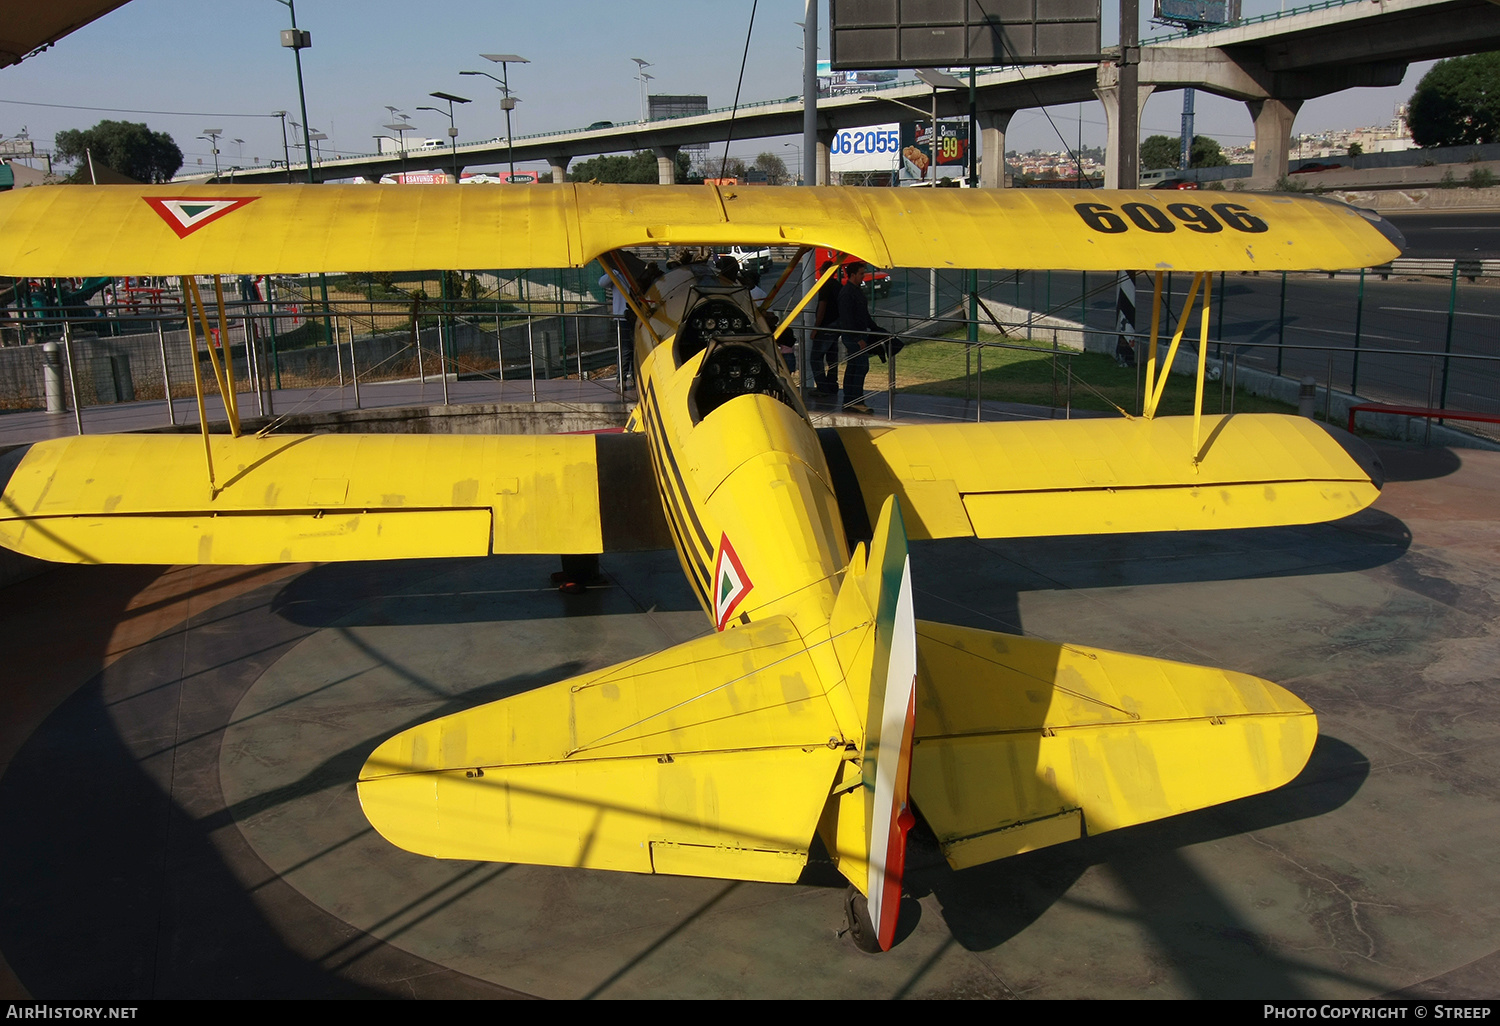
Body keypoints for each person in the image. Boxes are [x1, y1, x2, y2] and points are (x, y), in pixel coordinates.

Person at [837, 260, 883, 414]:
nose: (864, 276)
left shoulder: (855, 290)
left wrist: (875, 328)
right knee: (860, 367)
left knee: (854, 367)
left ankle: (851, 400)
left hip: (858, 334)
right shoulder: (847, 293)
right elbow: (847, 319)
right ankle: (855, 400)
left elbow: (863, 314)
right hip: (854, 337)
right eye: (861, 273)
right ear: (852, 275)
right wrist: (857, 338)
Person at [811, 261, 842, 396]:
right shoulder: (838, 286)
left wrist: (816, 328)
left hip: (826, 326)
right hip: (836, 325)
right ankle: (832, 383)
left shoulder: (825, 286)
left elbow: (822, 307)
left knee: (816, 357)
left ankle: (822, 387)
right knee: (832, 357)